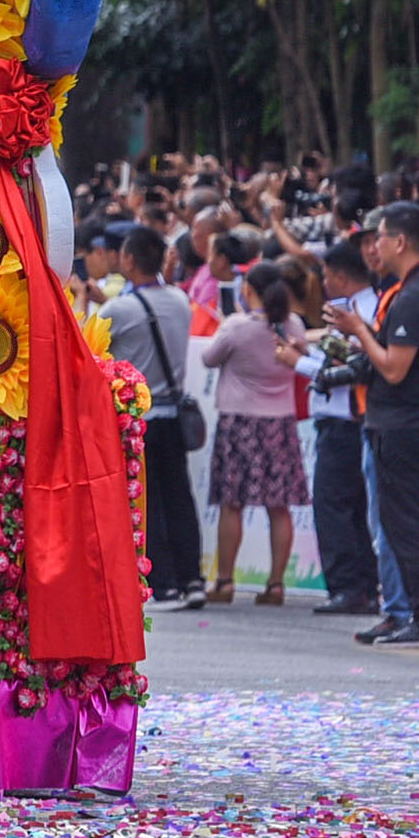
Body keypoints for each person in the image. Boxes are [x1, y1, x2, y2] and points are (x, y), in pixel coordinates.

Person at [332, 202, 419, 647]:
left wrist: (358, 329)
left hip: (404, 424)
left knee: (408, 524)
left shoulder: (415, 294)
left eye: (381, 237)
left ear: (401, 242)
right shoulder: (418, 290)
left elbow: (392, 367)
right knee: (404, 522)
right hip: (403, 421)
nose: (376, 247)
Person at [102, 226, 204, 611]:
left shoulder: (119, 309)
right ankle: (192, 578)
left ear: (128, 260)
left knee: (150, 501)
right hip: (174, 414)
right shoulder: (180, 300)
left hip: (141, 417)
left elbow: (93, 343)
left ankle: (163, 585)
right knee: (180, 496)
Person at [198, 263, 310, 605]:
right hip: (280, 423)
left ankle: (225, 581)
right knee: (279, 506)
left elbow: (208, 357)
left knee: (232, 503)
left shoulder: (237, 327)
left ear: (249, 290)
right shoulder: (293, 325)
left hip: (239, 421)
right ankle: (276, 585)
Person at [303, 239, 382, 615]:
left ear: (339, 274)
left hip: (348, 419)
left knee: (335, 505)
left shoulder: (361, 311)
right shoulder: (357, 307)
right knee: (352, 506)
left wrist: (297, 363)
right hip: (345, 419)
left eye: (325, 273)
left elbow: (352, 365)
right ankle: (362, 585)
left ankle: (349, 585)